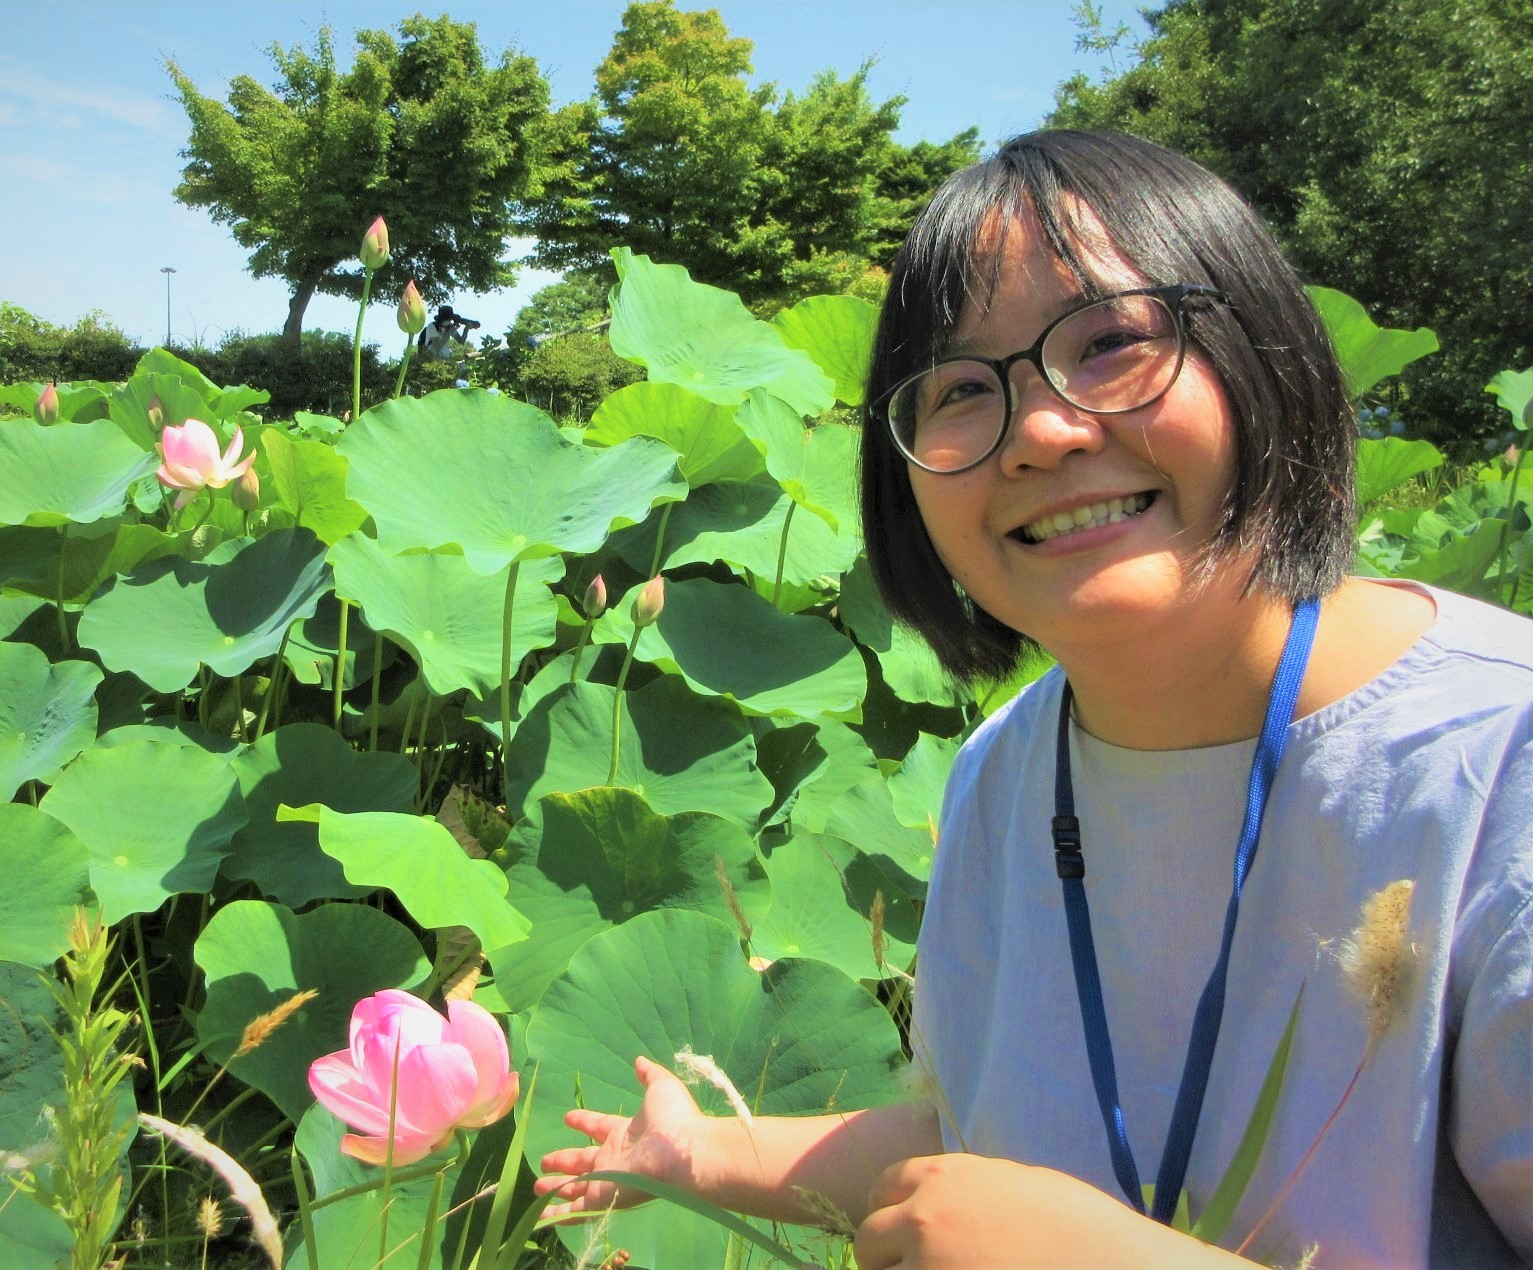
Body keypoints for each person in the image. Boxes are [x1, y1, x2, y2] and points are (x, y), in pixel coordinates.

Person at [535, 130, 1533, 1266]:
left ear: (1267, 352)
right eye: (960, 388)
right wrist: (706, 1156)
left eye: (1110, 341)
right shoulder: (1003, 767)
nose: (1041, 431)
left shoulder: (1499, 762)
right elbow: (984, 1145)